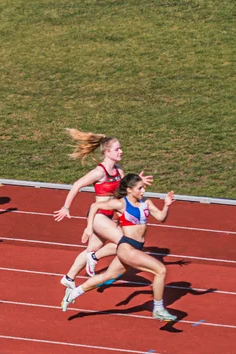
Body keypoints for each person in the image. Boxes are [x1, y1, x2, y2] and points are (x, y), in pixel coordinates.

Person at [61, 174, 177, 321]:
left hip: (135, 249)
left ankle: (72, 294)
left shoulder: (146, 202)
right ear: (129, 190)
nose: (143, 191)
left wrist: (166, 205)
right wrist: (89, 227)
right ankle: (159, 309)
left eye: (143, 187)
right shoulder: (121, 204)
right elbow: (94, 206)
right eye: (140, 188)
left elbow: (161, 218)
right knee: (160, 270)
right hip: (127, 248)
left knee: (106, 277)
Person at [53, 129, 150, 287]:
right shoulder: (99, 172)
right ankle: (95, 258)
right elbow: (77, 185)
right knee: (127, 243)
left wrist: (139, 182)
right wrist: (66, 207)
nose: (121, 151)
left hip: (111, 216)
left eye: (120, 148)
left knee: (91, 249)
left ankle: (68, 278)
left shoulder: (118, 170)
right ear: (107, 152)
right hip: (99, 216)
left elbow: (125, 190)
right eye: (117, 149)